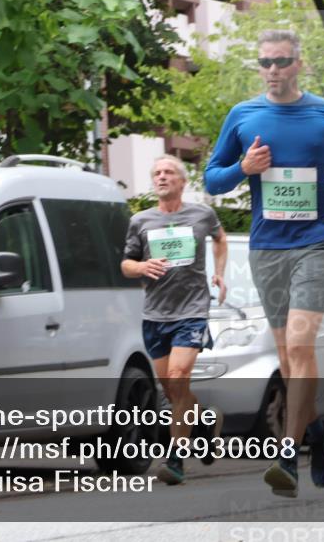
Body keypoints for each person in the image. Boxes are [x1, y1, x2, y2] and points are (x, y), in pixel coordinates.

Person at [204, 29, 324, 498]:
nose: (273, 70)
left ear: (298, 65)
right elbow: (212, 179)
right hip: (267, 248)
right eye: (265, 63)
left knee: (300, 344)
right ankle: (320, 433)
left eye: (281, 61)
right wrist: (244, 169)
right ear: (259, 68)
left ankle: (288, 455)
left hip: (317, 242)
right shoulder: (243, 115)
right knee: (288, 356)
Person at [122, 155, 228, 485]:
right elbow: (126, 264)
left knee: (179, 376)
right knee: (170, 387)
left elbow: (220, 239)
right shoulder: (141, 220)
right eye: (157, 173)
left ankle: (176, 457)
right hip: (155, 313)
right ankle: (205, 423)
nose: (162, 177)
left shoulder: (202, 214)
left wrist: (220, 274)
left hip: (192, 310)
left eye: (169, 172)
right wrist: (141, 267)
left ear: (182, 182)